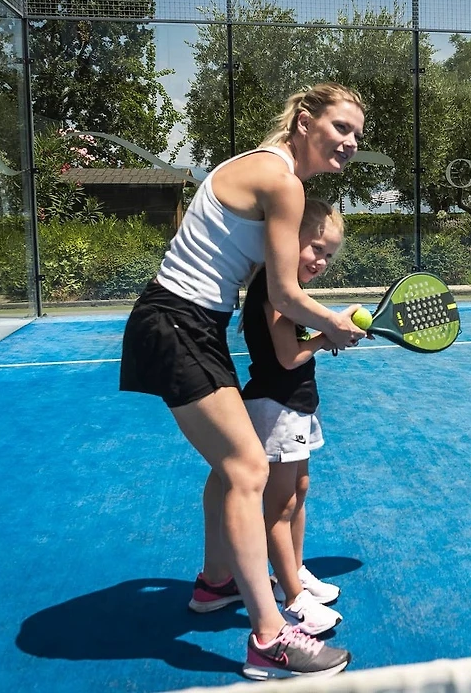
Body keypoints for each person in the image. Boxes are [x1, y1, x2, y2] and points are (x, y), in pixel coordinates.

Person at [119, 83, 368, 680]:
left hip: (191, 322)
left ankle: (215, 583)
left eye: (357, 136)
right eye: (341, 127)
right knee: (248, 468)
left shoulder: (266, 169)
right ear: (305, 120)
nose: (350, 143)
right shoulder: (282, 181)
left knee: (229, 468)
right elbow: (283, 293)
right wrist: (332, 324)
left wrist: (314, 326)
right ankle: (269, 639)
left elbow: (268, 280)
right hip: (177, 320)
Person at [193, 200, 350, 637]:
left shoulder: (287, 290)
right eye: (315, 248)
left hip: (296, 404)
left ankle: (291, 573)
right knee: (279, 507)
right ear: (286, 239)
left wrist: (324, 333)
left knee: (299, 491)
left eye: (328, 254)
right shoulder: (274, 289)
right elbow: (287, 357)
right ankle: (294, 600)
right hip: (276, 407)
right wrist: (326, 337)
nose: (321, 261)